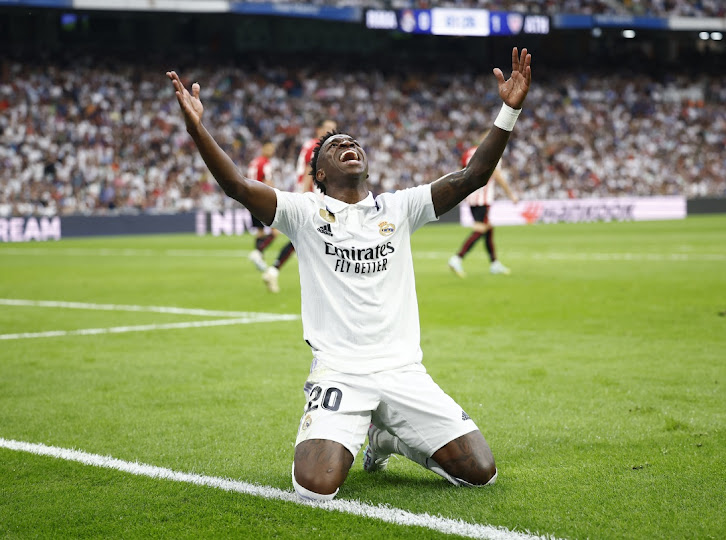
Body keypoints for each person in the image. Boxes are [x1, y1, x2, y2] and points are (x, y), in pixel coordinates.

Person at [166, 46, 531, 501]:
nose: (348, 145)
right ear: (320, 171)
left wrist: (509, 110)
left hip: (402, 370)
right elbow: (237, 186)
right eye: (336, 146)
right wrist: (196, 127)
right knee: (314, 489)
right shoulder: (303, 211)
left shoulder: (400, 207)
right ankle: (371, 431)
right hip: (341, 373)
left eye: (353, 142)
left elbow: (473, 175)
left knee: (481, 472)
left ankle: (388, 438)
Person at [261, 118, 337, 292]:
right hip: (313, 199)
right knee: (326, 238)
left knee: (303, 239)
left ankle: (274, 270)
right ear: (319, 130)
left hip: (311, 197)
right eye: (327, 128)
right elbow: (311, 171)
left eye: (333, 129)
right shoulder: (318, 147)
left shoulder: (311, 145)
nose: (330, 132)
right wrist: (305, 196)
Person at [448, 141, 519, 278]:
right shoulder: (492, 152)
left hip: (471, 197)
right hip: (483, 198)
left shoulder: (468, 153)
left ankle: (494, 263)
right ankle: (457, 258)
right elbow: (497, 176)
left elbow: (460, 172)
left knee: (488, 228)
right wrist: (511, 195)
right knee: (480, 229)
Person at [247, 140, 278, 272]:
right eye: (269, 148)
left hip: (250, 198)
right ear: (264, 148)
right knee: (275, 232)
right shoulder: (266, 163)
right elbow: (268, 182)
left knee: (259, 232)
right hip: (261, 200)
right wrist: (276, 197)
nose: (272, 151)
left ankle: (260, 259)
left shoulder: (254, 162)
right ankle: (258, 253)